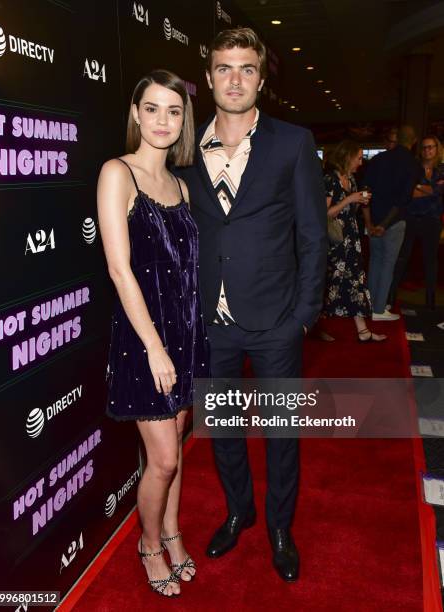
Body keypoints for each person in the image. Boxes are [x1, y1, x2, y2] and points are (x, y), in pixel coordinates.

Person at [178, 28, 327, 582]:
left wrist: (304, 316)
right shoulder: (186, 146)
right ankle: (238, 510)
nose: (234, 79)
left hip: (276, 321)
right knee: (222, 430)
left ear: (261, 79)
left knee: (282, 434)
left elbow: (314, 234)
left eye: (246, 69)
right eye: (224, 68)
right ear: (210, 76)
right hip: (209, 323)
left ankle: (280, 527)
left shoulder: (292, 141)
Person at [97, 70, 209, 597]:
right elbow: (120, 270)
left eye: (174, 110)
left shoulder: (182, 184)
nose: (163, 120)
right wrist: (155, 347)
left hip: (187, 333)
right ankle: (147, 544)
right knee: (162, 459)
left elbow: (187, 270)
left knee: (177, 452)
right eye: (152, 108)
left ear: (183, 119)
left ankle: (172, 530)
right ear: (136, 113)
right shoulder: (118, 173)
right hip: (148, 341)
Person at [323, 140, 386, 342]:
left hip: (351, 239)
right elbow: (325, 213)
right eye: (358, 157)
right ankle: (314, 326)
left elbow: (350, 212)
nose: (361, 161)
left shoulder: (351, 179)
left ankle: (363, 331)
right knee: (328, 285)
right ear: (347, 156)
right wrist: (349, 200)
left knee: (356, 283)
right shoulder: (329, 179)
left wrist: (359, 201)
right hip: (334, 242)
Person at [363, 125, 419, 320]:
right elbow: (403, 200)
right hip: (393, 222)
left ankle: (369, 307)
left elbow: (365, 193)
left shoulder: (377, 159)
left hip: (374, 219)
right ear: (413, 141)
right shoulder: (412, 164)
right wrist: (383, 225)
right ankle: (378, 310)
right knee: (387, 265)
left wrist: (370, 223)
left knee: (375, 263)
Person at [390, 135, 444, 309]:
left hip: (432, 220)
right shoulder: (414, 168)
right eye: (424, 147)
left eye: (431, 147)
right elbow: (408, 193)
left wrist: (419, 188)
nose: (427, 150)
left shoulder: (442, 170)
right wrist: (427, 189)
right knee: (402, 257)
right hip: (411, 218)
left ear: (437, 149)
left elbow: (437, 191)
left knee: (430, 261)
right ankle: (389, 299)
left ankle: (430, 302)